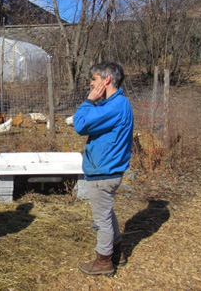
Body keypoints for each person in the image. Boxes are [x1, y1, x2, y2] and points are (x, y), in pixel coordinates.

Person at [73, 62, 134, 276]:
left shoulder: (114, 106)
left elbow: (80, 124)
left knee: (102, 220)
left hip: (103, 172)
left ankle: (104, 261)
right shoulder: (117, 104)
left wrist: (89, 100)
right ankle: (118, 253)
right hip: (109, 170)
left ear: (106, 80)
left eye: (95, 79)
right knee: (107, 214)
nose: (91, 83)